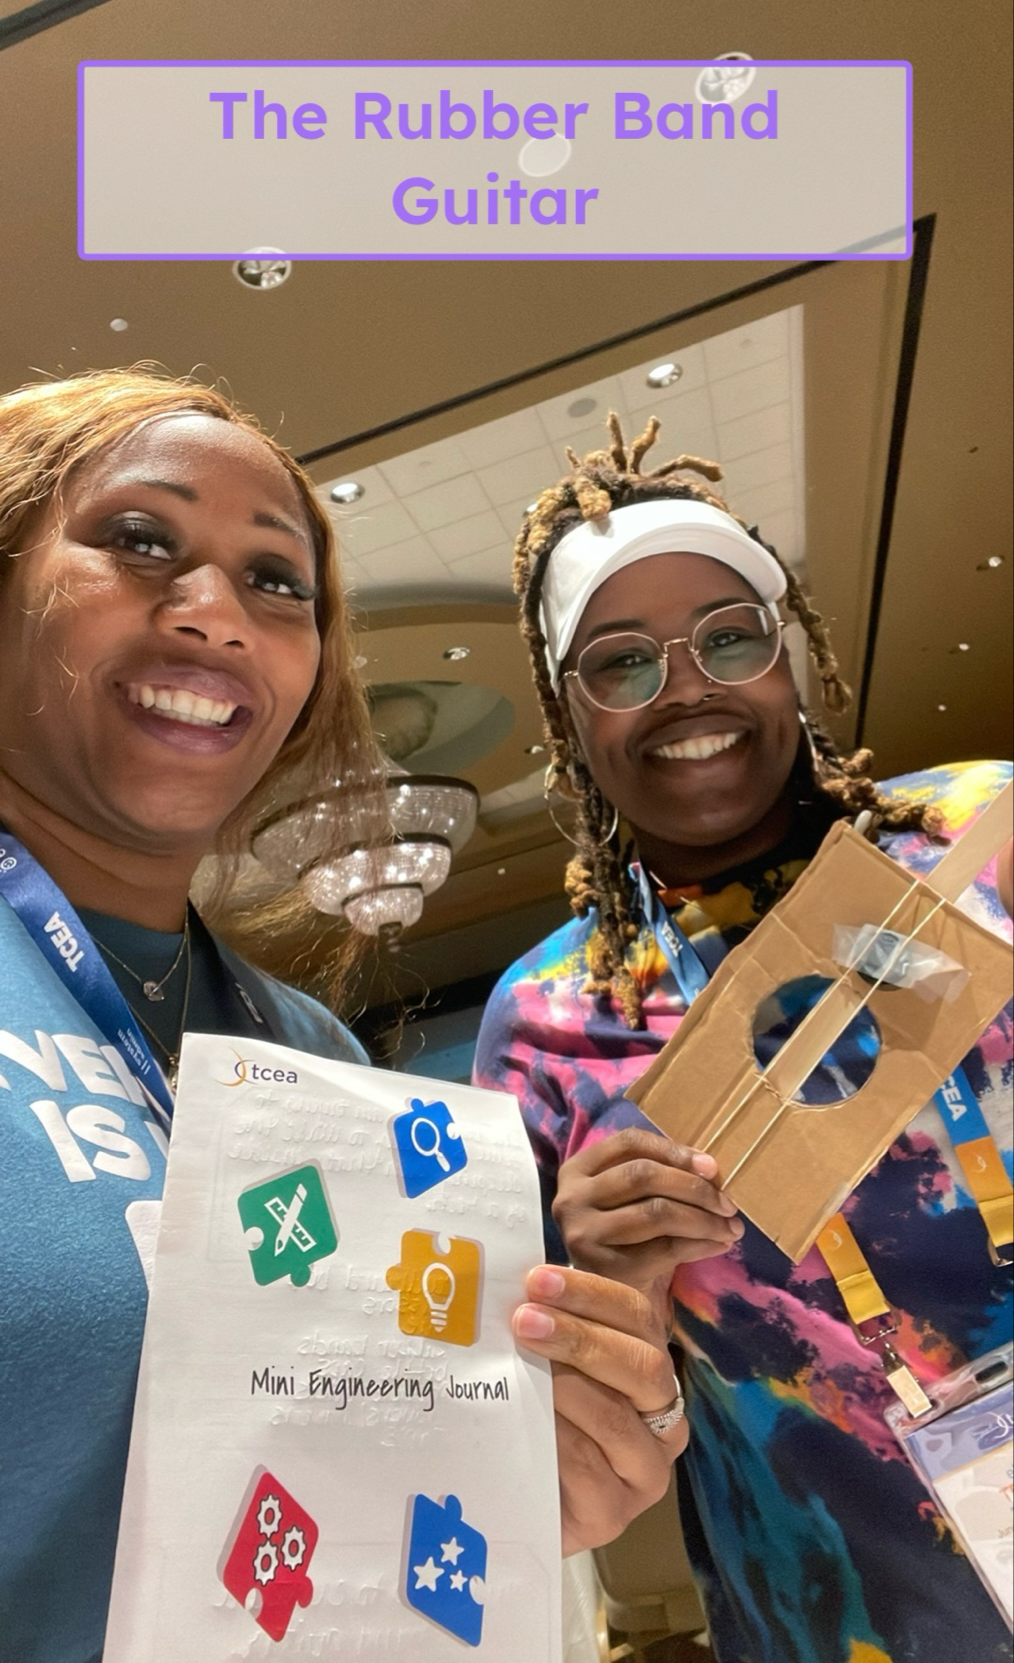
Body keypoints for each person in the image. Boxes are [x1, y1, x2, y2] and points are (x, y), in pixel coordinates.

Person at [0, 373, 687, 1663]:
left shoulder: (308, 1050)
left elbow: (344, 1477)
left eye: (279, 582)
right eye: (140, 539)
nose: (215, 613)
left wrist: (523, 1468)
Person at [474, 412, 1013, 1663]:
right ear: (570, 719)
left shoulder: (981, 840)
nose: (690, 688)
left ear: (794, 659)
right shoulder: (550, 1026)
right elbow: (568, 1436)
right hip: (848, 1601)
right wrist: (614, 1283)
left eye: (730, 638)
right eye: (621, 662)